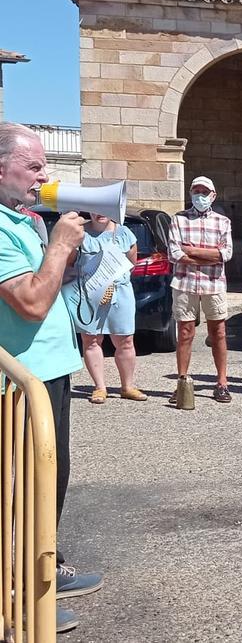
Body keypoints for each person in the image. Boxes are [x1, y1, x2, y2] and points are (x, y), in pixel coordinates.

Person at [0, 123, 101, 633]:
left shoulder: (21, 218)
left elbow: (60, 282)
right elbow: (33, 302)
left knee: (51, 477)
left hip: (50, 374)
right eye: (34, 167)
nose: (45, 176)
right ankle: (20, 598)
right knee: (20, 489)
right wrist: (59, 243)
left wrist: (80, 242)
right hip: (21, 384)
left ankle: (44, 569)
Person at [63, 212, 144, 403]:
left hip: (120, 292)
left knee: (125, 340)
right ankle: (99, 387)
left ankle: (127, 386)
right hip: (89, 293)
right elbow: (69, 263)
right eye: (95, 208)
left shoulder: (125, 234)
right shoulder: (80, 233)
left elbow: (131, 263)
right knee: (91, 339)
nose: (100, 213)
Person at [167, 176, 234, 405]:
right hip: (185, 283)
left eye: (204, 192)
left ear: (213, 195)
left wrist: (192, 252)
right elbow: (175, 253)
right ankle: (182, 381)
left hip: (214, 284)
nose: (200, 195)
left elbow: (225, 254)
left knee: (219, 332)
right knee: (185, 333)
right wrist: (207, 256)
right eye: (196, 191)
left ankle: (222, 382)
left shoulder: (223, 222)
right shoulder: (178, 220)